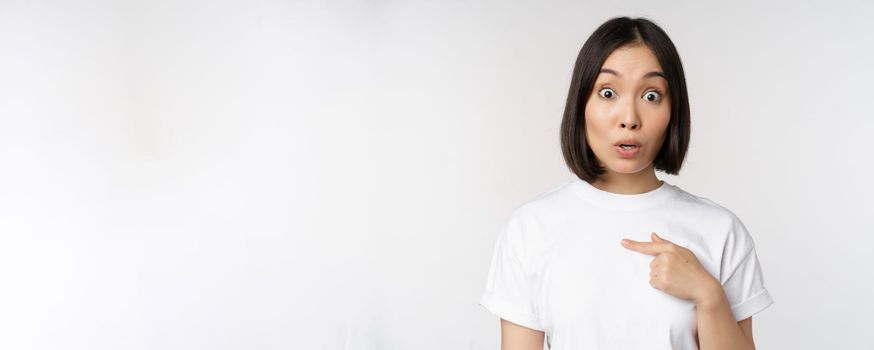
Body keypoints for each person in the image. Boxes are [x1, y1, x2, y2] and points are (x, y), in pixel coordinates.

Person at [478, 16, 774, 350]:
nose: (629, 119)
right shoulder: (531, 228)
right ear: (581, 105)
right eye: (607, 92)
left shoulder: (721, 231)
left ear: (673, 111)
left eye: (651, 96)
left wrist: (709, 297)